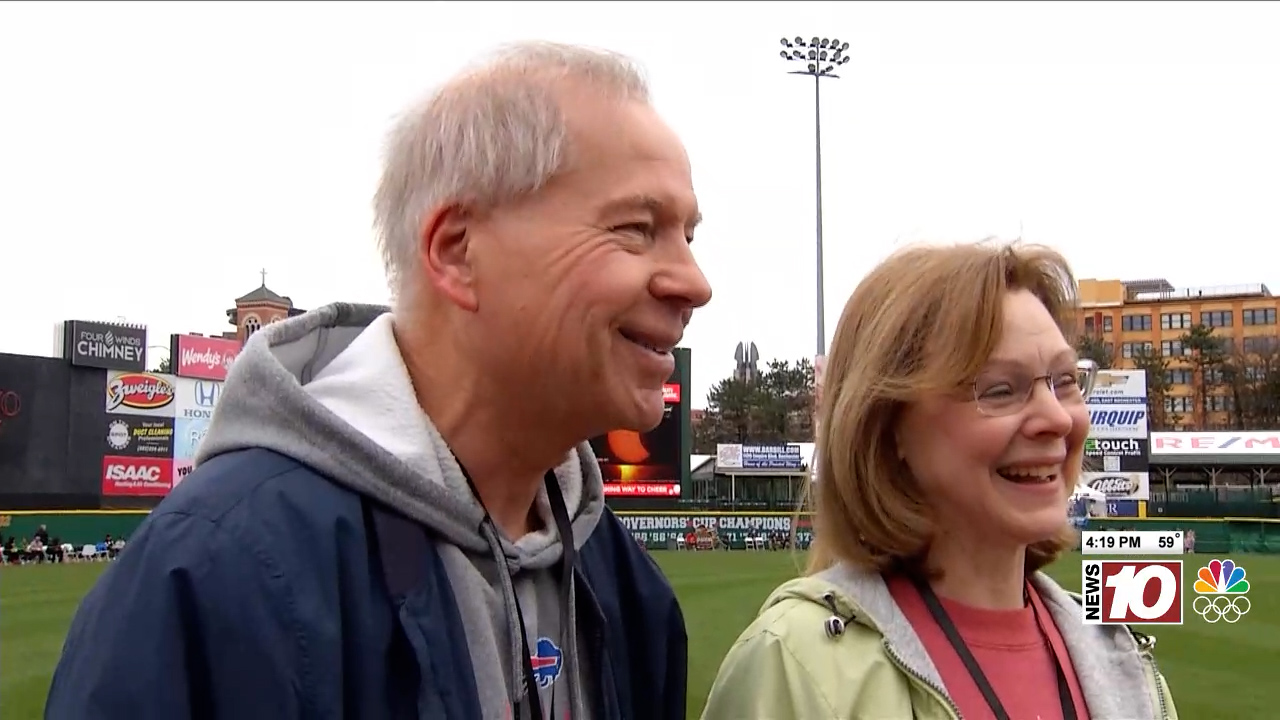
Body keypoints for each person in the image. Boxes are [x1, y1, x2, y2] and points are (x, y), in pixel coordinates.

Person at [47, 40, 709, 720]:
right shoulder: (217, 574)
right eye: (637, 228)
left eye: (690, 236)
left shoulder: (624, 585)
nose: (695, 283)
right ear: (457, 251)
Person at [702, 242, 1178, 720]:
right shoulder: (793, 665)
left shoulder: (1123, 661)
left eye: (1065, 381)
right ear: (889, 430)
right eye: (999, 389)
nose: (1055, 418)